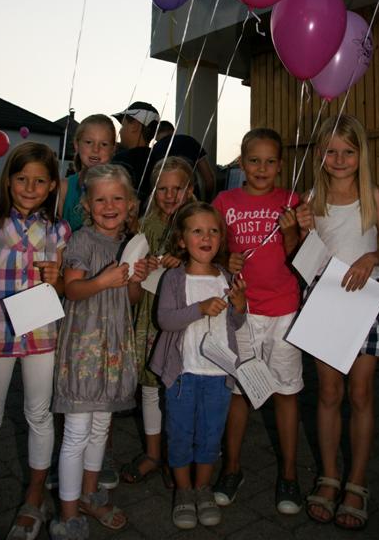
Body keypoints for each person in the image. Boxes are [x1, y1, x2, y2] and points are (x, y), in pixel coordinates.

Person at [0, 142, 70, 540]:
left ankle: (34, 497)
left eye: (40, 181)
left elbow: (59, 290)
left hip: (41, 335)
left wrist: (57, 280)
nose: (30, 187)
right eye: (22, 178)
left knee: (38, 415)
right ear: (8, 180)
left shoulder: (59, 230)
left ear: (53, 185)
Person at [300, 114, 379, 530]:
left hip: (365, 304)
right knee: (328, 392)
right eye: (331, 152)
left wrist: (372, 257)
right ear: (319, 155)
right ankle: (329, 476)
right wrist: (297, 230)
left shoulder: (373, 196)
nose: (339, 160)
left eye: (348, 151)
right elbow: (301, 255)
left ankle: (357, 480)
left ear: (362, 154)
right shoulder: (311, 199)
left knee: (360, 394)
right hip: (325, 303)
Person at [50, 165, 149, 540]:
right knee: (76, 432)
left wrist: (135, 280)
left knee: (101, 427)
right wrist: (103, 280)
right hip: (84, 348)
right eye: (101, 200)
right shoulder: (81, 241)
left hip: (114, 348)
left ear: (130, 204)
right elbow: (72, 290)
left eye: (117, 198)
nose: (110, 206)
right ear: (88, 206)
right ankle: (68, 512)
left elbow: (131, 299)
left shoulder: (130, 244)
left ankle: (89, 494)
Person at [212, 127, 304, 514]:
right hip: (243, 312)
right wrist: (224, 259)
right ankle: (231, 469)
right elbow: (210, 249)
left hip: (284, 311)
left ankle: (289, 475)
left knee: (286, 393)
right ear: (241, 162)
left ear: (280, 166)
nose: (261, 168)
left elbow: (301, 257)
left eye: (269, 162)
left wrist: (293, 231)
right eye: (254, 161)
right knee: (239, 394)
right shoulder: (224, 201)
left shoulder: (291, 201)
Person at [150, 203, 246, 530]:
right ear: (181, 240)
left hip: (218, 375)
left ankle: (203, 488)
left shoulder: (227, 277)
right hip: (183, 374)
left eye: (213, 231)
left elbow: (236, 323)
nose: (206, 237)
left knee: (210, 435)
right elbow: (165, 320)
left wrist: (240, 306)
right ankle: (184, 490)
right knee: (179, 433)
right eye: (197, 231)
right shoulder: (174, 278)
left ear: (221, 239)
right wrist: (199, 309)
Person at [121, 156, 195, 487]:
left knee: (180, 388)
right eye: (162, 189)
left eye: (177, 188)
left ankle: (177, 455)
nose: (169, 195)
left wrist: (184, 259)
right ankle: (153, 453)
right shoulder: (145, 226)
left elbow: (212, 258)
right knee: (151, 387)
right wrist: (145, 267)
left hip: (185, 316)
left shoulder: (198, 221)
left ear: (189, 190)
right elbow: (132, 272)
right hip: (151, 315)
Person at [59, 114, 116, 232]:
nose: (96, 149)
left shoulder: (119, 189)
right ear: (76, 145)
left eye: (104, 144)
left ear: (113, 149)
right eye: (89, 142)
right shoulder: (64, 188)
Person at [149, 121, 216, 201]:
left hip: (166, 201)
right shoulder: (190, 141)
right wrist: (207, 202)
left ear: (155, 135)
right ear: (173, 131)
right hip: (191, 200)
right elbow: (209, 179)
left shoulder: (154, 149)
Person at [111, 101, 159, 204]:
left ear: (135, 126)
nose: (120, 131)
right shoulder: (159, 161)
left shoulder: (121, 161)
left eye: (123, 126)